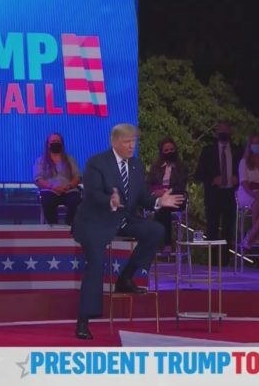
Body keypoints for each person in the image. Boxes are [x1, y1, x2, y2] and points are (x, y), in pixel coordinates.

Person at [73, 123, 184, 340]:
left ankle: (125, 278)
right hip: (95, 221)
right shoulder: (97, 163)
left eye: (134, 141)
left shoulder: (136, 165)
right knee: (96, 264)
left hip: (123, 219)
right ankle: (83, 320)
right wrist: (110, 200)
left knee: (155, 230)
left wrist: (159, 201)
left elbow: (142, 196)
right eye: (127, 142)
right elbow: (92, 194)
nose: (132, 146)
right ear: (114, 142)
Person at [195, 122, 242, 266]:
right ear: (217, 133)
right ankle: (212, 262)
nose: (224, 133)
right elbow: (199, 173)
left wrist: (238, 178)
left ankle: (225, 262)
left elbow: (245, 171)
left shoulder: (237, 151)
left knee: (228, 228)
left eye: (226, 131)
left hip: (230, 193)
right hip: (213, 194)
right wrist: (213, 179)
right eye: (221, 131)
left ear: (230, 132)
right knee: (212, 228)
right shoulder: (208, 151)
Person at [146, 137, 189, 254]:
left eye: (171, 149)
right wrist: (155, 192)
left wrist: (166, 192)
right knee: (161, 205)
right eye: (166, 150)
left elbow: (181, 186)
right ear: (161, 152)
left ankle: (165, 244)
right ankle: (163, 244)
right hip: (158, 198)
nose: (169, 152)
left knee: (163, 206)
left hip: (176, 198)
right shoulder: (155, 167)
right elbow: (148, 184)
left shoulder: (182, 168)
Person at [33, 133, 82, 225]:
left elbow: (77, 176)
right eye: (53, 141)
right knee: (47, 202)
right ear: (48, 144)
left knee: (75, 201)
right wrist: (53, 187)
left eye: (58, 141)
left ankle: (69, 225)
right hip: (49, 190)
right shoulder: (40, 160)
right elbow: (38, 179)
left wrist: (69, 186)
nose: (56, 143)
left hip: (69, 190)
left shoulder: (70, 159)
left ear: (62, 144)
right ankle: (54, 227)